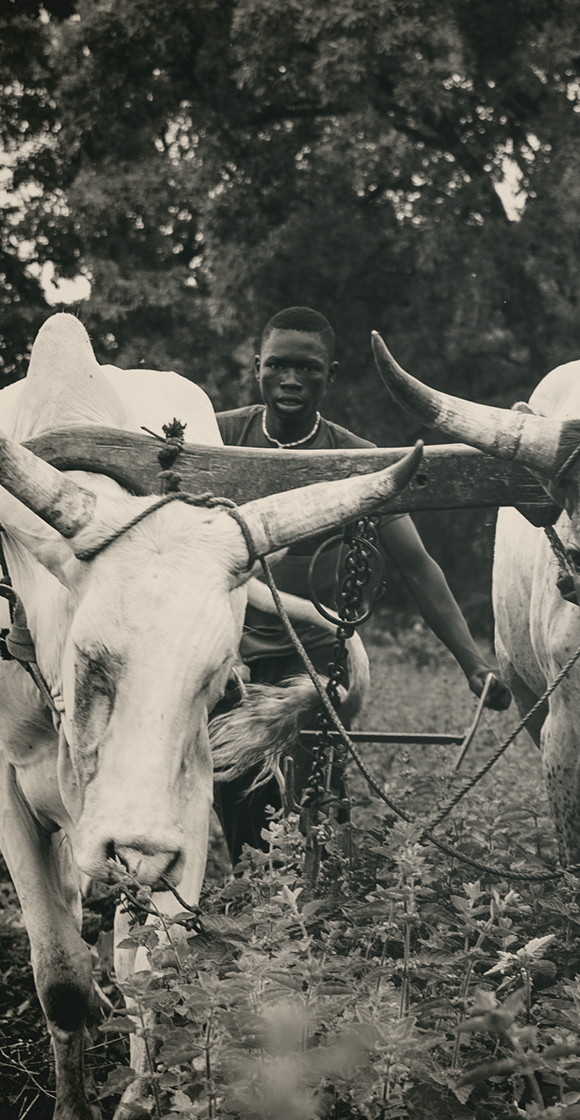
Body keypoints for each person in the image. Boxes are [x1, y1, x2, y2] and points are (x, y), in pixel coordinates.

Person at [214, 306, 509, 859]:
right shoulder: (220, 438)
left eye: (307, 368)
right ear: (257, 367)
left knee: (315, 808)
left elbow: (417, 564)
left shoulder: (359, 459)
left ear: (332, 374)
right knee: (239, 802)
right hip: (230, 653)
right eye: (278, 366)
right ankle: (252, 913)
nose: (291, 380)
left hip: (320, 659)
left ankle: (319, 918)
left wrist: (474, 664)